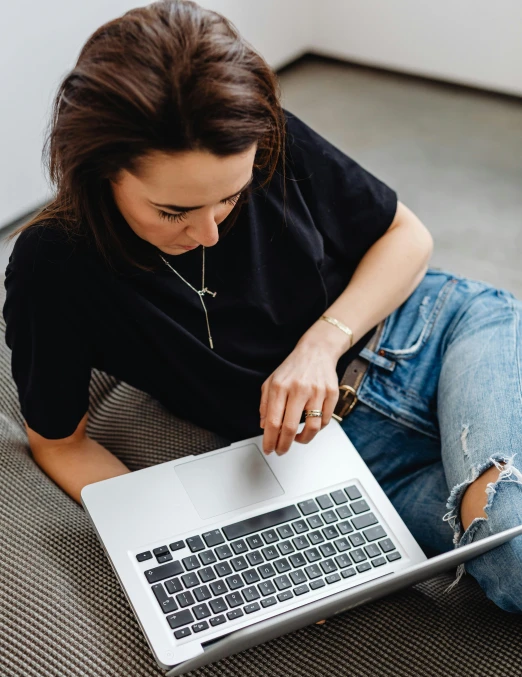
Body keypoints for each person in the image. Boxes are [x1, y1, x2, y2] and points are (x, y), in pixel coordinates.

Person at [3, 0, 522, 613]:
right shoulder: (52, 266)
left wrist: (321, 343)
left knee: (506, 522)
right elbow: (60, 442)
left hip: (438, 331)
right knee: (511, 564)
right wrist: (173, 539)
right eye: (173, 212)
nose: (210, 233)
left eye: (230, 197)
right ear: (100, 173)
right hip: (334, 460)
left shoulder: (270, 137)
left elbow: (407, 237)